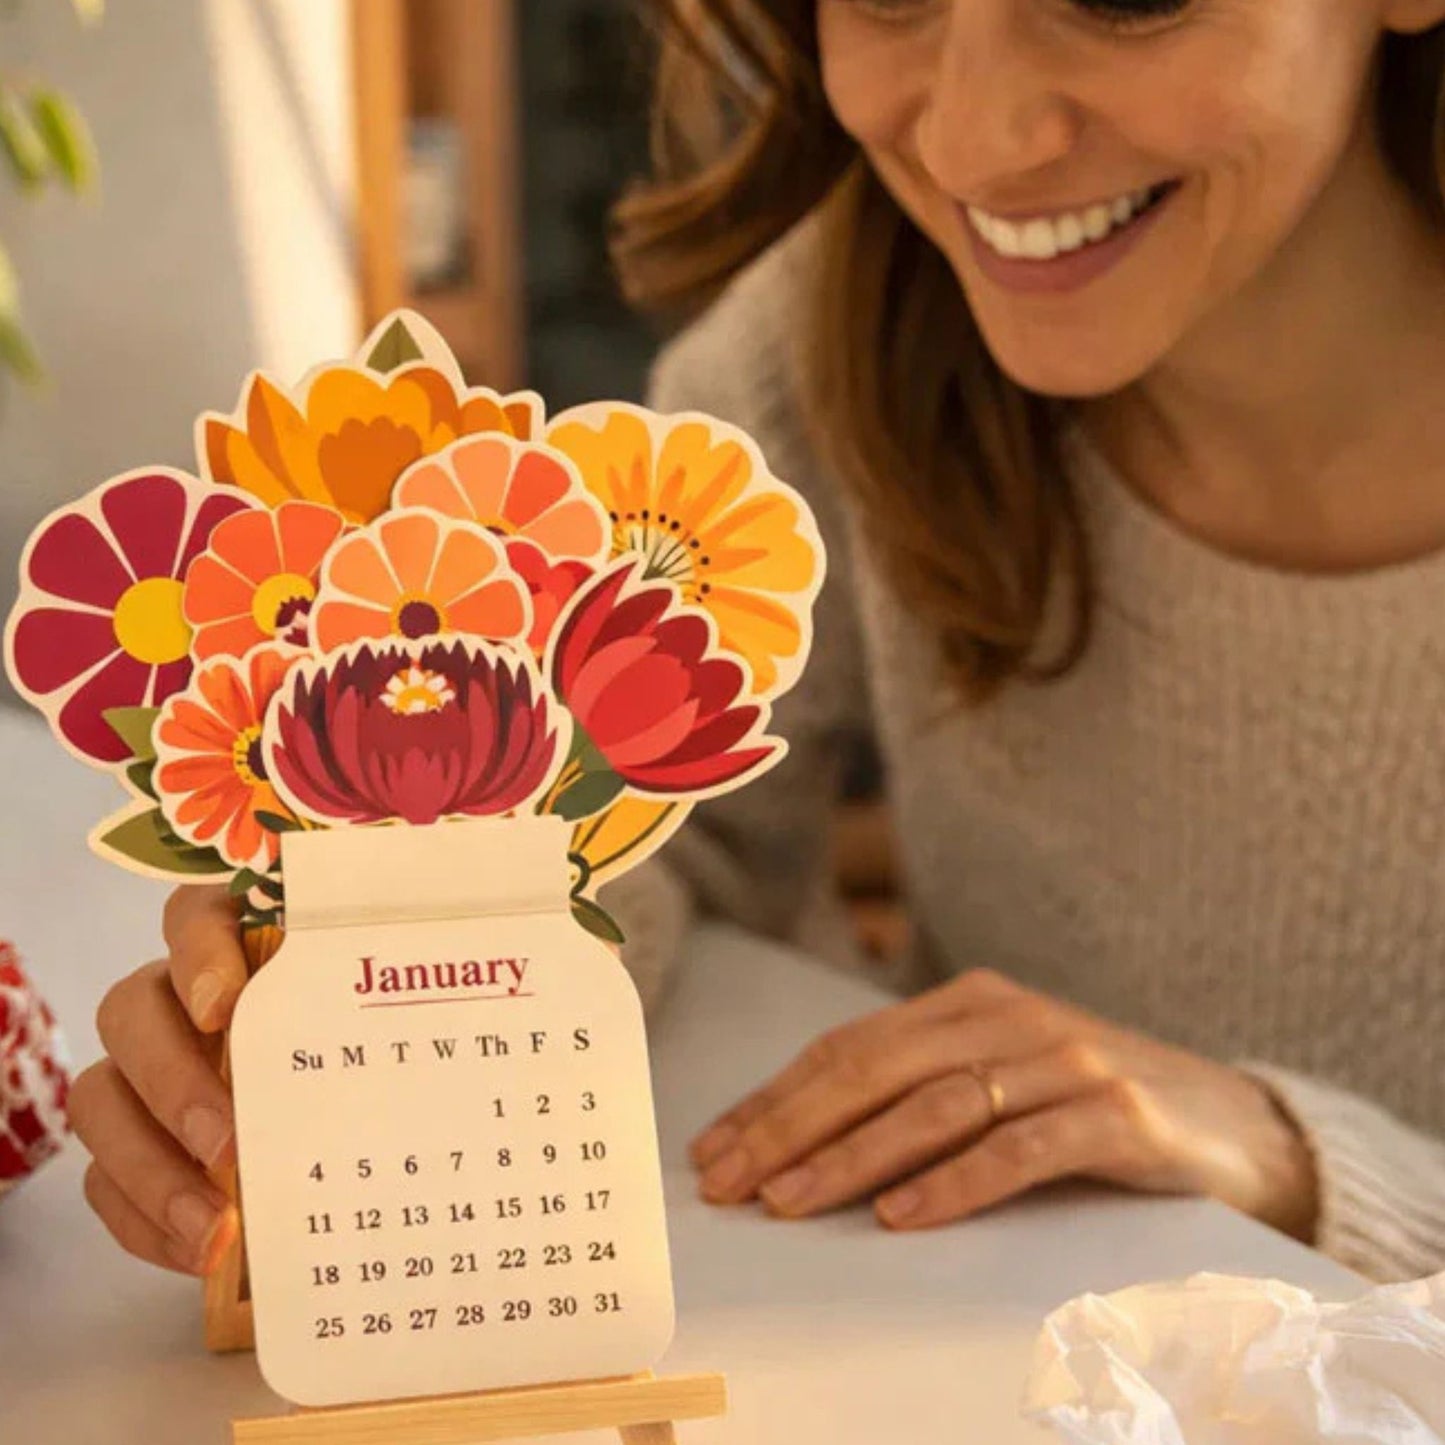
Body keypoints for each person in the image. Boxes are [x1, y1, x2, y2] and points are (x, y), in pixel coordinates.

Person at [69, 0, 1445, 1285]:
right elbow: (663, 830)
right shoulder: (837, 337)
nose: (969, 137)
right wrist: (386, 958)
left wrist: (1291, 1159)